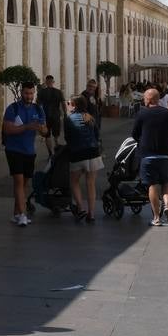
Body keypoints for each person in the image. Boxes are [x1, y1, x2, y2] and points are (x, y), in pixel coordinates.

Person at [2, 81, 47, 226]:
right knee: (19, 181)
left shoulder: (38, 109)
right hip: (14, 150)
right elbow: (8, 130)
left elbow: (45, 130)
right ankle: (22, 214)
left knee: (24, 184)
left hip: (29, 151)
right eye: (27, 93)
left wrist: (42, 129)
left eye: (32, 93)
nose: (29, 96)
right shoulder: (12, 109)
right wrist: (27, 126)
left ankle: (16, 213)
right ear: (21, 93)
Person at [131, 86, 168, 226]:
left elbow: (134, 133)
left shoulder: (142, 114)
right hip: (165, 154)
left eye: (144, 98)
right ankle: (167, 205)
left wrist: (142, 142)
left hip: (148, 154)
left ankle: (157, 217)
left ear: (148, 99)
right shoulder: (167, 113)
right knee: (166, 182)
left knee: (152, 185)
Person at [64, 95, 103, 224]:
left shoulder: (69, 118)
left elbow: (67, 137)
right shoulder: (90, 117)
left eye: (69, 103)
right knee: (90, 184)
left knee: (74, 182)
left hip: (77, 153)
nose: (68, 104)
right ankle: (91, 214)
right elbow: (97, 135)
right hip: (93, 153)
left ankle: (80, 208)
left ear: (74, 105)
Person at [36, 75, 65, 152]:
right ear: (53, 82)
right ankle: (57, 149)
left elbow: (38, 105)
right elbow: (63, 104)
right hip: (56, 116)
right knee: (56, 135)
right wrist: (65, 114)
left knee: (47, 136)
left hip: (46, 116)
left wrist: (40, 117)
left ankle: (50, 153)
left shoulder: (41, 92)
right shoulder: (59, 92)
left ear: (46, 82)